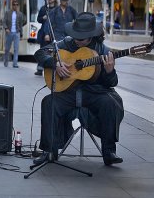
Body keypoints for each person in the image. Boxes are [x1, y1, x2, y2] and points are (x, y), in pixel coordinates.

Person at [33, 12, 124, 166]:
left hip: (94, 92)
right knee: (49, 102)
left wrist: (109, 71)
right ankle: (49, 151)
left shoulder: (103, 50)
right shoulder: (65, 44)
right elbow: (40, 53)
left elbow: (112, 83)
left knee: (111, 103)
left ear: (91, 36)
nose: (76, 40)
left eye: (81, 38)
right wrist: (55, 64)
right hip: (69, 92)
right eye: (75, 35)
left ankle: (109, 151)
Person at [35, 0, 58, 76]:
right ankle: (40, 69)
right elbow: (38, 19)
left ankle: (52, 69)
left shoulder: (57, 9)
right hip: (44, 34)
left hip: (54, 34)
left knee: (53, 52)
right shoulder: (43, 8)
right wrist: (43, 18)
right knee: (43, 51)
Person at [2, 0, 26, 68]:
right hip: (9, 33)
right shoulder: (7, 13)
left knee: (16, 49)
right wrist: (6, 28)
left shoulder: (20, 14)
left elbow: (21, 25)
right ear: (12, 5)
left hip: (16, 33)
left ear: (18, 6)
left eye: (17, 4)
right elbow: (4, 22)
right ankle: (6, 61)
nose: (15, 6)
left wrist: (21, 34)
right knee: (7, 49)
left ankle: (15, 63)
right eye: (14, 4)